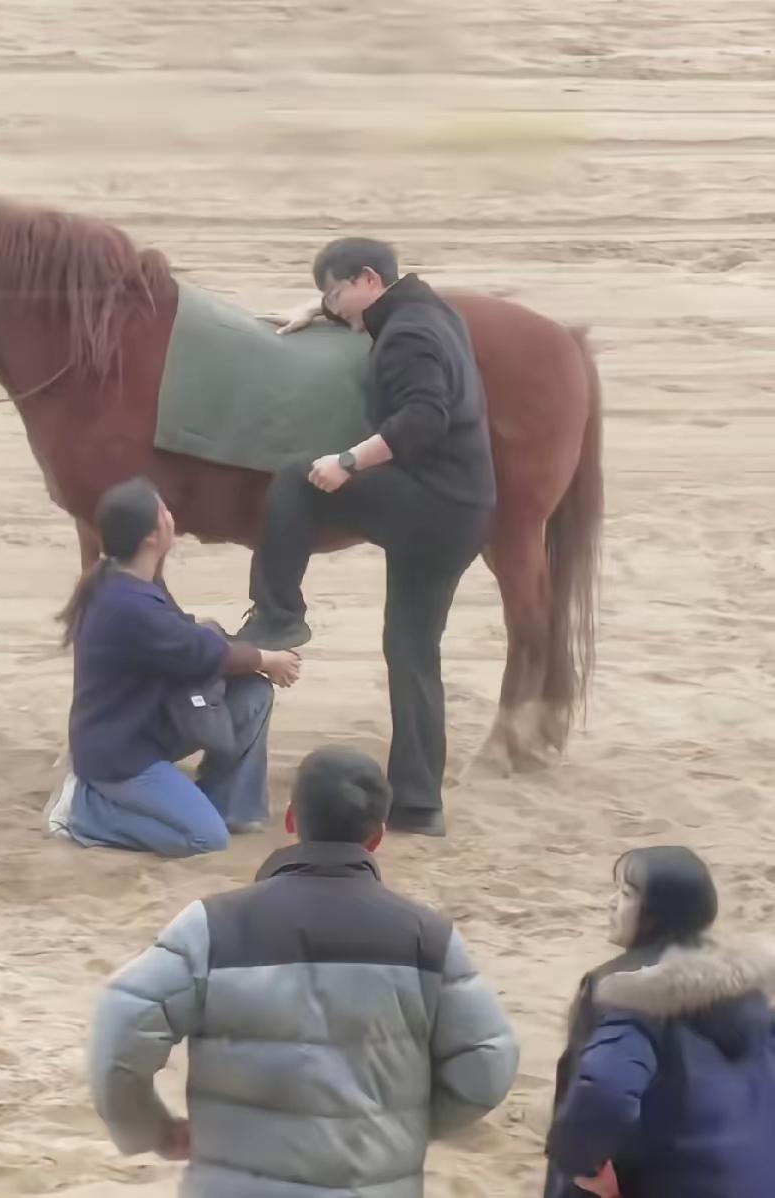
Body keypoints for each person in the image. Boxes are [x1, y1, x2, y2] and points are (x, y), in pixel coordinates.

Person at [89, 745, 519, 1197]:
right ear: (377, 836)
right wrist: (402, 1125)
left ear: (292, 820)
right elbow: (488, 1062)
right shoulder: (428, 940)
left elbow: (122, 1022)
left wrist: (151, 1130)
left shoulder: (211, 927)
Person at [237, 238, 496, 837]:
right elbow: (364, 309)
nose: (334, 305)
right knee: (411, 651)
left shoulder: (405, 336)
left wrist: (348, 462)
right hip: (464, 509)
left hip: (430, 505)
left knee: (298, 480)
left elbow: (424, 417)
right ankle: (418, 802)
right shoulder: (425, 306)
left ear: (368, 279)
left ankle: (278, 614)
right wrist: (317, 310)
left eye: (335, 292)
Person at [46, 476, 301, 856]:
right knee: (205, 838)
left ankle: (229, 806)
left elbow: (190, 643)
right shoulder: (128, 604)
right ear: (151, 536)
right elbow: (201, 651)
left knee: (252, 693)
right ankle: (83, 810)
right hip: (120, 755)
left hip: (150, 724)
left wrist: (255, 665)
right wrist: (268, 659)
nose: (171, 517)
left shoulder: (133, 582)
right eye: (163, 512)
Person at [545, 846, 775, 1198]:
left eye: (625, 894)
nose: (610, 903)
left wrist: (583, 1168)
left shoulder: (630, 994)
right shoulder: (749, 992)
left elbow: (604, 1091)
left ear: (656, 914)